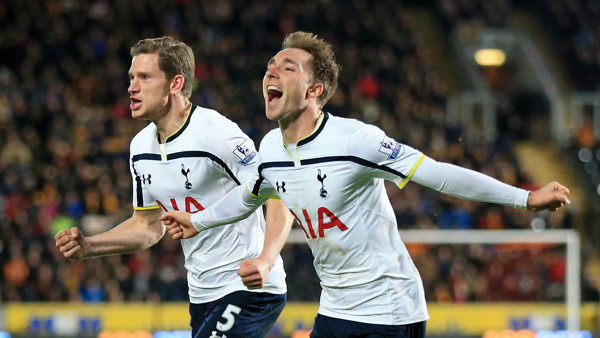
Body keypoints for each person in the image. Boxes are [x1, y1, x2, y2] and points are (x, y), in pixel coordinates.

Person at [160, 32, 571, 338]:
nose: (272, 70)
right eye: (271, 64)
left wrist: (525, 198)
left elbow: (439, 174)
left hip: (390, 312)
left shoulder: (356, 140)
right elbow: (250, 198)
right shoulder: (271, 148)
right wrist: (200, 221)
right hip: (335, 310)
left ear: (315, 90)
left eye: (289, 67)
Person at [54, 36, 293, 338]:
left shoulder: (217, 135)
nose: (132, 87)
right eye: (131, 78)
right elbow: (148, 225)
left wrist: (266, 260)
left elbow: (277, 195)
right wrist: (90, 246)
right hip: (202, 295)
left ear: (175, 84)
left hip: (250, 289)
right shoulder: (140, 148)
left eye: (144, 77)